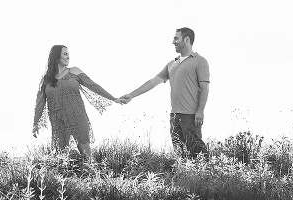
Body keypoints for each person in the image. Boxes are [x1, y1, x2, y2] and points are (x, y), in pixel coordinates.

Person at [119, 27, 210, 159]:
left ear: (187, 39)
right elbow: (152, 82)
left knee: (198, 153)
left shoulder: (200, 61)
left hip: (190, 116)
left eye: (176, 38)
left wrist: (200, 111)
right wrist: (131, 95)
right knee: (180, 155)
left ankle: (206, 177)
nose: (173, 42)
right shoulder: (171, 64)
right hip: (174, 116)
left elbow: (204, 88)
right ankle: (185, 178)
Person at [32, 44, 124, 160]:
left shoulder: (74, 71)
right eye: (65, 54)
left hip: (77, 117)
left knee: (87, 158)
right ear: (56, 57)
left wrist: (113, 98)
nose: (68, 57)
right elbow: (40, 103)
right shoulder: (46, 79)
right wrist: (36, 124)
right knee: (60, 159)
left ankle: (91, 176)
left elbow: (93, 86)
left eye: (68, 54)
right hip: (58, 122)